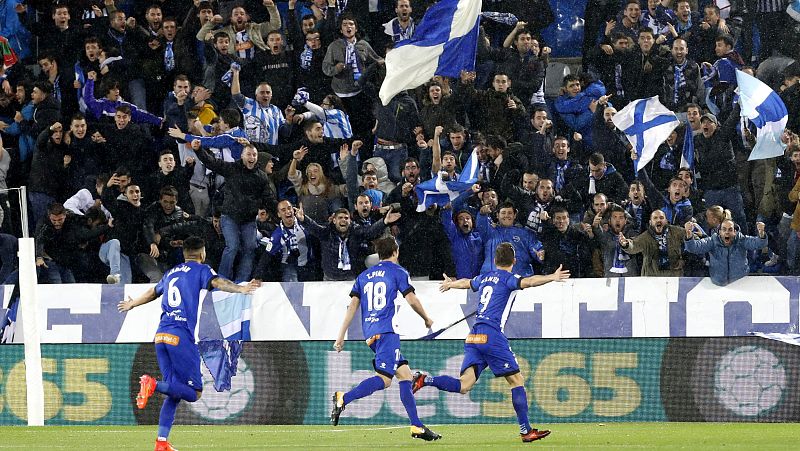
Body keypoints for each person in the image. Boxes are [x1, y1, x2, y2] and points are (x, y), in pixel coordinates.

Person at [412, 242, 569, 442]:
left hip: (474, 335)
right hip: (492, 334)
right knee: (516, 381)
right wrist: (552, 277)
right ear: (514, 261)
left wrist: (451, 284)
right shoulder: (509, 279)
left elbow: (467, 283)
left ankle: (425, 380)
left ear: (494, 261)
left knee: (464, 385)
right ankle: (526, 430)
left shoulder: (486, 277)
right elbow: (529, 282)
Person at [118, 236, 259, 451]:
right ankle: (152, 384)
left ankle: (161, 442)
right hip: (180, 337)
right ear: (202, 254)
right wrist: (241, 289)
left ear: (184, 254)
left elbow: (153, 292)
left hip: (160, 337)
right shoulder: (202, 270)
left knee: (175, 392)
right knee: (195, 393)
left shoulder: (172, 273)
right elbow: (218, 282)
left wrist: (132, 304)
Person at [330, 236, 440, 442]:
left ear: (378, 255)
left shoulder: (363, 276)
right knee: (385, 380)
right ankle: (343, 398)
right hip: (387, 332)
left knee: (405, 375)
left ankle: (417, 426)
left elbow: (352, 307)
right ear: (396, 251)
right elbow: (411, 299)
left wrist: (340, 336)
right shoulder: (398, 272)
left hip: (370, 333)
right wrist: (426, 318)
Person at [684, 219, 768, 286]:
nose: (727, 232)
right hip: (717, 285)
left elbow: (759, 244)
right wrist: (689, 236)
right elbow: (693, 248)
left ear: (735, 232)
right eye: (724, 229)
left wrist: (761, 234)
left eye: (730, 229)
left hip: (740, 284)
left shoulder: (742, 240)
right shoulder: (712, 241)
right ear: (719, 232)